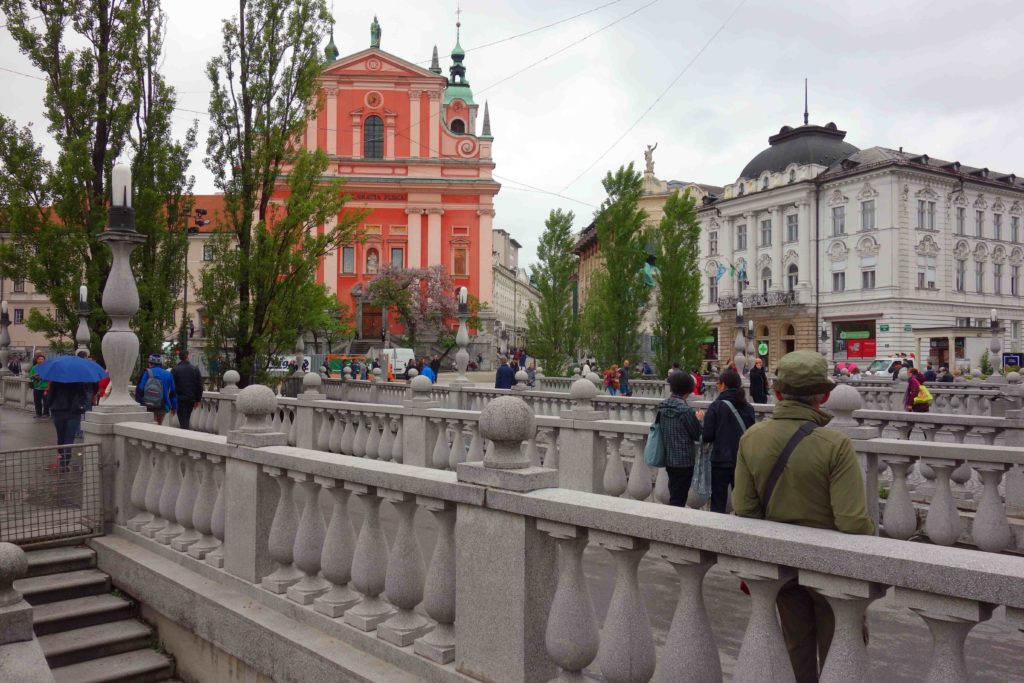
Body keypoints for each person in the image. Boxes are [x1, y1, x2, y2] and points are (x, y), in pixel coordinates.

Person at [733, 351, 874, 682]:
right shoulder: (835, 444)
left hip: (781, 566)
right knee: (841, 647)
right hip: (831, 569)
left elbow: (744, 510)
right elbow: (852, 522)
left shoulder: (752, 438)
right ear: (824, 396)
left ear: (777, 392)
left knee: (796, 648)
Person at [701, 368, 755, 514]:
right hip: (742, 460)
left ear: (723, 385)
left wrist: (702, 421)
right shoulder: (748, 408)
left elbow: (707, 436)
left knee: (718, 501)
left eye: (718, 384)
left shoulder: (716, 406)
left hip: (720, 460)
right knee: (742, 502)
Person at [657, 372, 704, 506]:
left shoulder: (662, 407)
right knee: (679, 498)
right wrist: (700, 420)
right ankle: (673, 523)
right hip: (684, 461)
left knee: (674, 492)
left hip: (668, 458)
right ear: (688, 390)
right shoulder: (686, 411)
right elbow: (697, 434)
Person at [46, 380, 90, 472]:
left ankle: (62, 460)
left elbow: (50, 396)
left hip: (59, 411)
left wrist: (49, 405)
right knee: (69, 439)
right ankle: (64, 463)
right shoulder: (79, 381)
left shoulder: (56, 380)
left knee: (61, 437)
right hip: (74, 412)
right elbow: (84, 396)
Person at [135, 354, 177, 426]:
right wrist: (174, 407)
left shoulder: (147, 372)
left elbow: (140, 389)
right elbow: (173, 393)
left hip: (148, 405)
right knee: (158, 426)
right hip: (162, 406)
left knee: (148, 427)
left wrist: (140, 403)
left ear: (150, 363)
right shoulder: (168, 374)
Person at [171, 350, 204, 430]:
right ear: (188, 357)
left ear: (180, 358)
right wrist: (198, 399)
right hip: (191, 399)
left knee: (183, 420)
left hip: (180, 399)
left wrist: (172, 403)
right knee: (186, 418)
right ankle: (185, 434)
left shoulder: (175, 370)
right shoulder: (195, 369)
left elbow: (172, 388)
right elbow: (200, 386)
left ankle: (184, 436)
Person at [28, 353, 50, 420]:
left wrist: (42, 377)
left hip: (45, 387)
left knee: (46, 402)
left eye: (42, 359)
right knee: (37, 401)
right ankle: (38, 413)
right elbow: (30, 375)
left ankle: (46, 413)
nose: (41, 360)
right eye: (39, 359)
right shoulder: (34, 367)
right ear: (37, 360)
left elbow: (50, 376)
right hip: (37, 387)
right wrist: (34, 376)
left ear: (44, 360)